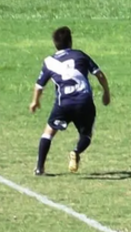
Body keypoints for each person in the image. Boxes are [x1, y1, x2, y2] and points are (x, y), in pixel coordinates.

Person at [29, 27, 111, 175]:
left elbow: (39, 86)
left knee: (49, 132)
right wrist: (106, 92)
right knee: (86, 135)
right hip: (84, 102)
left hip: (63, 103)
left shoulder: (49, 62)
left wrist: (35, 101)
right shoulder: (80, 55)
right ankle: (76, 151)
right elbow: (99, 74)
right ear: (70, 41)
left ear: (55, 43)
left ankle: (40, 168)